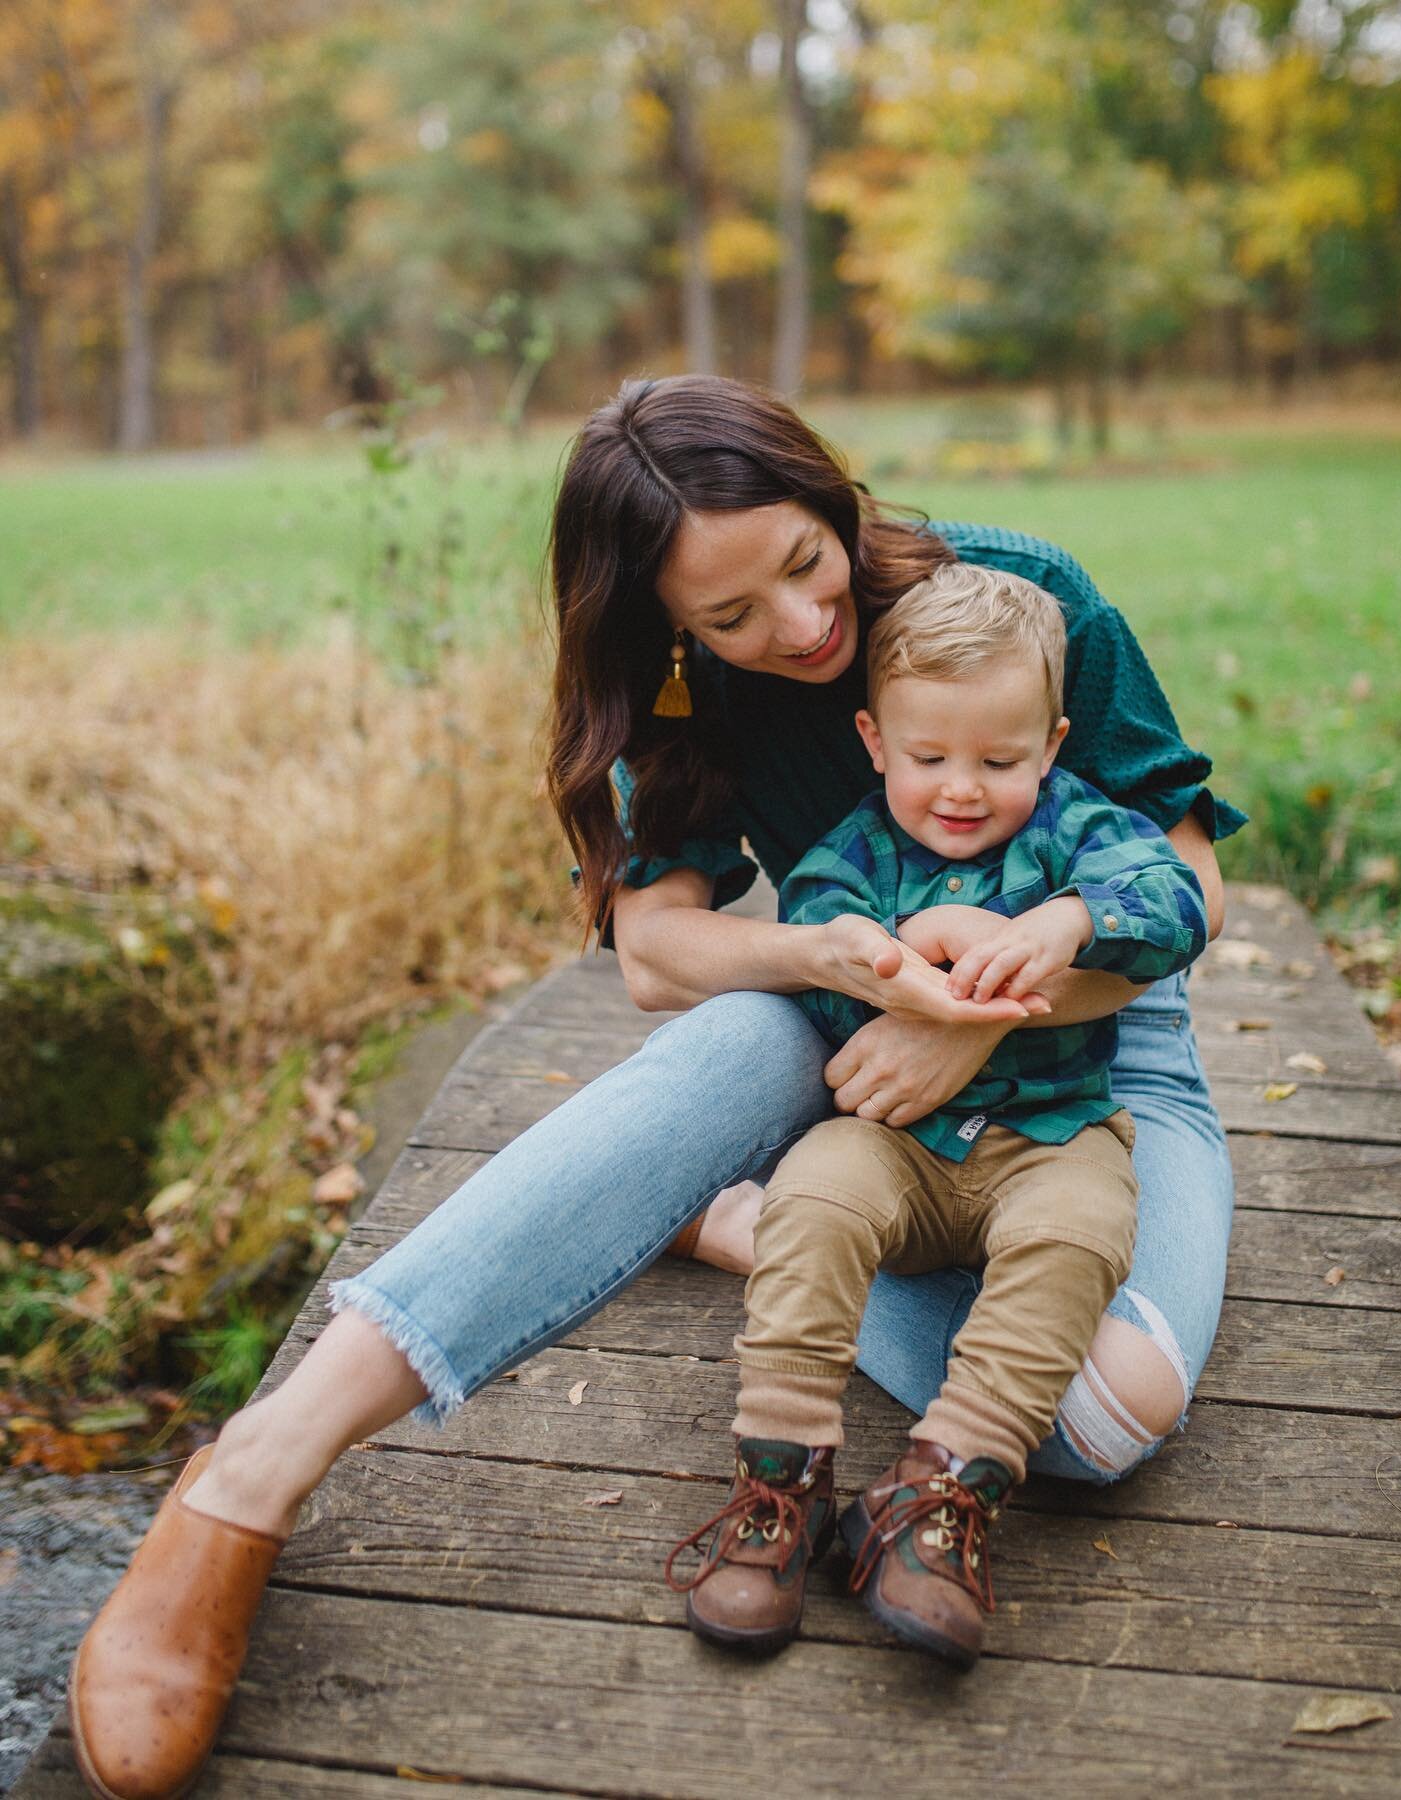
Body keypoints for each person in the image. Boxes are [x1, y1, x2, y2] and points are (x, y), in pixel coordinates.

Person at [67, 375, 1241, 1800]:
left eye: (807, 568)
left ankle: (746, 1225)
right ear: (673, 630)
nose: (802, 633)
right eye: (732, 618)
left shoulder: (1013, 597)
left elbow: (1187, 879)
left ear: (828, 492)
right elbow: (656, 944)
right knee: (732, 1038)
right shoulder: (688, 697)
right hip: (848, 1011)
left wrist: (987, 1015)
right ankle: (247, 1476)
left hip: (1097, 1048)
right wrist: (832, 957)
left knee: (1103, 1425)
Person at [665, 563, 1207, 1666]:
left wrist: (1068, 918)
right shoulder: (851, 858)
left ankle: (942, 1492)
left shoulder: (1079, 833)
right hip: (896, 1146)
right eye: (929, 758)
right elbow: (819, 955)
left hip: (1053, 1136)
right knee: (816, 1193)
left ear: (1051, 745)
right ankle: (783, 1484)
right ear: (874, 740)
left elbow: (1177, 900)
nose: (962, 789)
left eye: (1000, 761)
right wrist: (900, 962)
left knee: (1079, 1236)